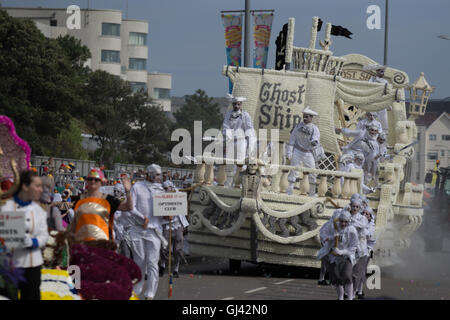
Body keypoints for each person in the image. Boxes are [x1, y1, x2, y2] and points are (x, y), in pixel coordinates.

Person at [0, 170, 49, 300]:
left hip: (33, 265)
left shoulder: (39, 210)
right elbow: (8, 240)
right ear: (25, 186)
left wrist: (34, 242)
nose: (41, 190)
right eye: (37, 186)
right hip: (11, 265)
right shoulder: (7, 208)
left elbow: (44, 236)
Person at [129, 164, 167, 300]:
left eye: (159, 174)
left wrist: (169, 215)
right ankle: (137, 290)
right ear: (148, 174)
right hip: (138, 229)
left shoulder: (161, 190)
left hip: (154, 231)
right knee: (140, 261)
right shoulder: (137, 187)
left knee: (152, 262)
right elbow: (131, 207)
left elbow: (165, 211)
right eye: (156, 174)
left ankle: (150, 293)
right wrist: (142, 217)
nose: (158, 177)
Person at [69, 168, 133, 243]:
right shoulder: (79, 199)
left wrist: (128, 192)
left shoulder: (108, 199)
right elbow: (74, 223)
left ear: (101, 182)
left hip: (102, 245)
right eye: (90, 179)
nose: (93, 181)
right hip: (81, 245)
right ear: (87, 181)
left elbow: (128, 207)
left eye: (96, 180)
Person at [318, 210, 359, 300]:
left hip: (346, 256)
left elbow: (353, 246)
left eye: (346, 222)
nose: (343, 224)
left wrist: (342, 252)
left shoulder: (352, 230)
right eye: (341, 221)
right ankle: (340, 297)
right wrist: (332, 238)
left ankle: (350, 297)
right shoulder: (332, 227)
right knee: (336, 278)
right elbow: (323, 235)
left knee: (347, 275)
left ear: (349, 221)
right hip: (333, 256)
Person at [285, 106, 324, 196]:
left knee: (312, 172)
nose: (305, 118)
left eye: (307, 116)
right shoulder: (298, 126)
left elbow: (316, 138)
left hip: (308, 153)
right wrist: (289, 152)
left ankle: (312, 193)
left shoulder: (314, 128)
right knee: (293, 170)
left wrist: (314, 142)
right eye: (304, 116)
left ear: (311, 117)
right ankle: (289, 191)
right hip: (297, 151)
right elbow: (292, 139)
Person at [158, 180, 189, 278]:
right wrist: (165, 216)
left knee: (177, 249)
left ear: (172, 187)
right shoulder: (160, 197)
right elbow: (158, 213)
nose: (166, 190)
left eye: (168, 188)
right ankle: (162, 264)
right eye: (164, 188)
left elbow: (183, 203)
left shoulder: (178, 195)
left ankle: (176, 268)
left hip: (178, 225)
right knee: (163, 247)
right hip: (166, 225)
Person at [222, 94, 257, 164]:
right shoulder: (228, 114)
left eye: (238, 104)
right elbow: (225, 127)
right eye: (234, 104)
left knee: (240, 161)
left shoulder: (245, 115)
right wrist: (228, 139)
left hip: (241, 141)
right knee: (230, 161)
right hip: (231, 141)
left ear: (241, 104)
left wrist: (250, 144)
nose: (236, 106)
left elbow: (249, 129)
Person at [366, 64, 391, 132]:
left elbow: (387, 92)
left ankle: (383, 136)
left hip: (382, 103)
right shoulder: (371, 80)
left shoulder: (385, 81)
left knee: (383, 121)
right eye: (381, 71)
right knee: (371, 120)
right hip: (373, 102)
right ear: (377, 71)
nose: (383, 73)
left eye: (383, 72)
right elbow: (369, 89)